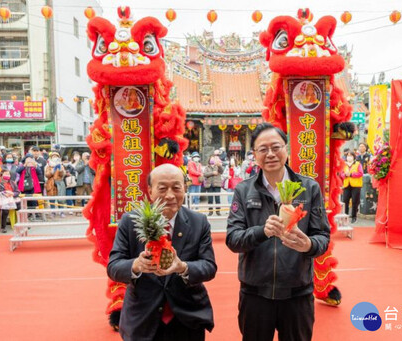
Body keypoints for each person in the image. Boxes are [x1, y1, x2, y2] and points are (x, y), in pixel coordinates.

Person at [226, 123, 330, 341]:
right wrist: (262, 231)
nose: (270, 154)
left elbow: (322, 237)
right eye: (263, 149)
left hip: (297, 294)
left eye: (276, 147)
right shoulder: (244, 190)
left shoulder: (308, 188)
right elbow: (233, 239)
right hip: (255, 294)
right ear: (254, 155)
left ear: (286, 149)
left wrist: (308, 245)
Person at [107, 164, 217, 341]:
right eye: (162, 188)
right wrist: (136, 265)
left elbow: (209, 267)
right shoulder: (130, 222)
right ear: (150, 191)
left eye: (176, 187)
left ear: (185, 188)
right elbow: (113, 266)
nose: (170, 195)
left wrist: (182, 267)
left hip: (187, 318)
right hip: (143, 318)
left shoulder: (199, 222)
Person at [0, 169, 20, 233]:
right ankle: (3, 227)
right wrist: (4, 193)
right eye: (6, 174)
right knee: (5, 209)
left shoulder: (12, 182)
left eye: (8, 174)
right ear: (1, 175)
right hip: (2, 200)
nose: (7, 175)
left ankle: (21, 223)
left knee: (20, 206)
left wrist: (12, 194)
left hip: (12, 199)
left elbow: (17, 191)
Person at [341, 152, 364, 224]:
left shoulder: (358, 164)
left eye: (351, 156)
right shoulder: (344, 164)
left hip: (356, 185)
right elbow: (341, 174)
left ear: (354, 157)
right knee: (345, 201)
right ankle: (345, 216)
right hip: (347, 185)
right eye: (348, 156)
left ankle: (354, 217)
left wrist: (351, 174)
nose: (349, 157)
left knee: (355, 202)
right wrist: (344, 175)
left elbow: (360, 173)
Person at [45, 151, 66, 218]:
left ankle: (61, 212)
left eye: (56, 156)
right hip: (51, 184)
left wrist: (60, 170)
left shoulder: (61, 165)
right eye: (53, 156)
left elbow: (63, 175)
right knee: (52, 199)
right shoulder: (48, 166)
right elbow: (47, 175)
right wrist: (52, 171)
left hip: (59, 183)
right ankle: (53, 212)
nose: (55, 158)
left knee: (60, 198)